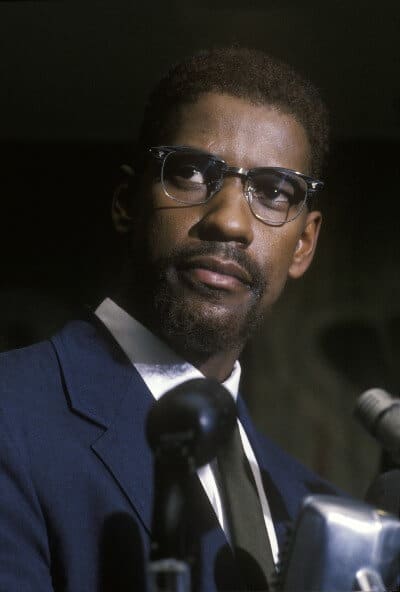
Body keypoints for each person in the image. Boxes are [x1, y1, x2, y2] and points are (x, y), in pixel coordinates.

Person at [0, 47, 339, 591]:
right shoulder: (10, 414)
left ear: (303, 244)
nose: (228, 221)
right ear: (125, 203)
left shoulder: (316, 508)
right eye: (189, 173)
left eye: (274, 191)